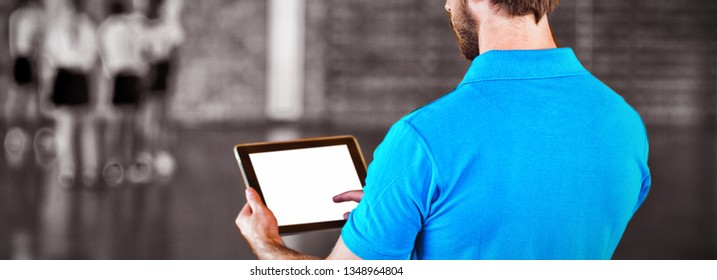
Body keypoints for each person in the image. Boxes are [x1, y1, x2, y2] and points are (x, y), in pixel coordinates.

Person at [235, 0, 651, 260]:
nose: (447, 7)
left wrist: (267, 244)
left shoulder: (420, 141)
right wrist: (410, 205)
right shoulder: (626, 124)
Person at [42, 0, 99, 187]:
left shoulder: (87, 27)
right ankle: (67, 170)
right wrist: (49, 86)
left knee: (86, 125)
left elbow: (91, 56)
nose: (68, 14)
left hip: (80, 77)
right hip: (64, 77)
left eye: (70, 10)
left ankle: (90, 170)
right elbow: (51, 56)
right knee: (64, 127)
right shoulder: (56, 29)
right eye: (65, 11)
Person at [97, 0, 152, 186]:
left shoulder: (105, 28)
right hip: (129, 76)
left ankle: (115, 164)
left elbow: (104, 57)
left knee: (117, 122)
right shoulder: (130, 28)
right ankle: (127, 163)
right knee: (130, 123)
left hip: (116, 77)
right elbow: (143, 53)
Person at [142, 0, 185, 180]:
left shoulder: (170, 28)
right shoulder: (142, 27)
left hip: (161, 70)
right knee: (148, 115)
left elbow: (175, 53)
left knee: (162, 114)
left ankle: (163, 152)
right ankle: (148, 152)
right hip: (148, 70)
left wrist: (170, 75)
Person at [5, 0, 44, 168]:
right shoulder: (29, 16)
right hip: (26, 59)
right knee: (26, 97)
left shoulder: (17, 16)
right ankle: (21, 134)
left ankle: (18, 133)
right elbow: (35, 40)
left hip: (20, 58)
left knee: (21, 96)